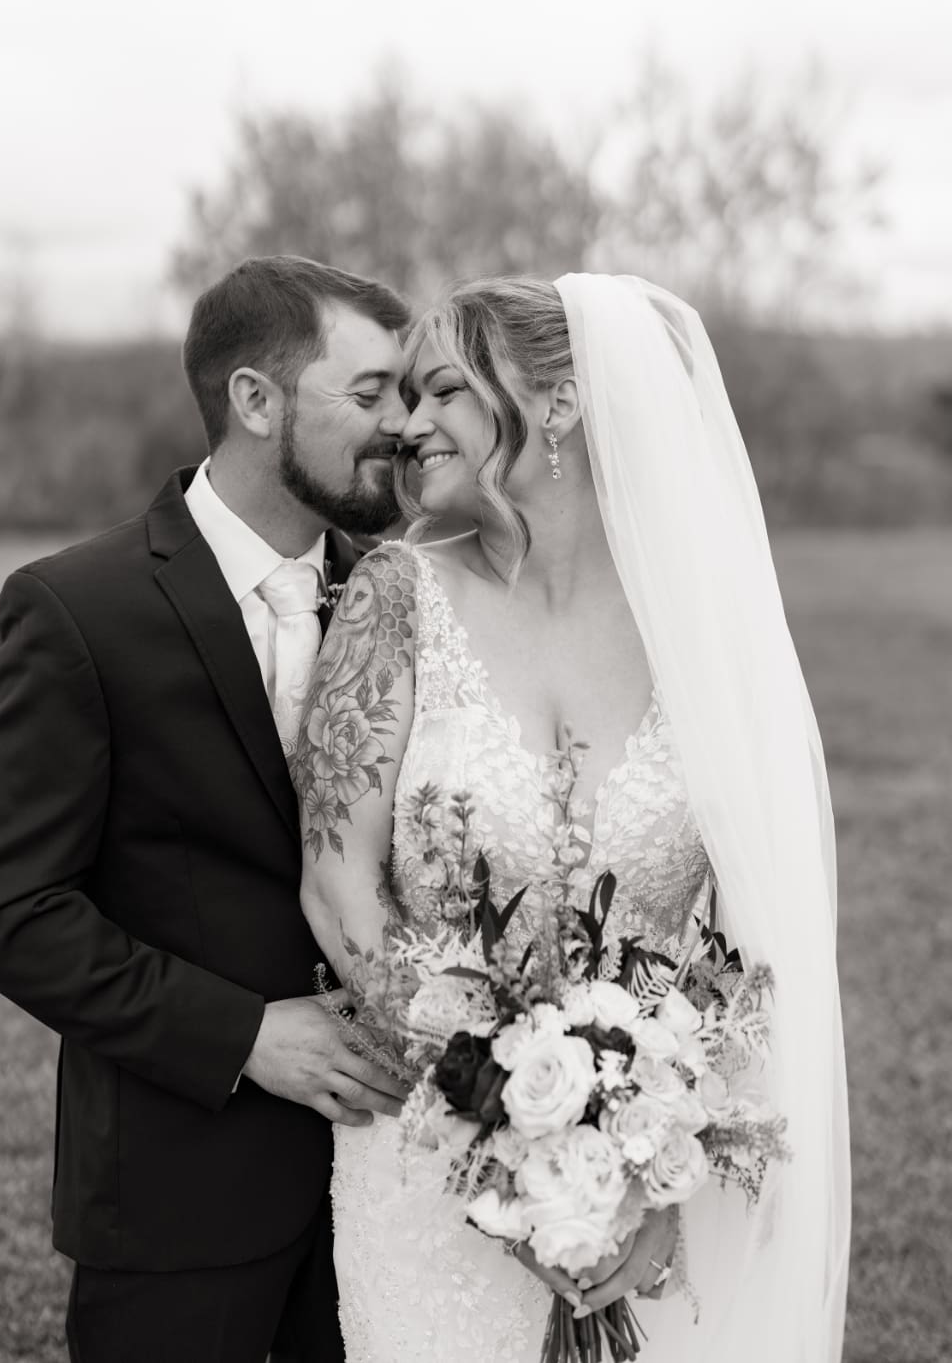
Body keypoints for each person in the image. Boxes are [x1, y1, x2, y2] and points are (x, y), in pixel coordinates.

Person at [294, 274, 850, 1362]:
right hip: (429, 1169)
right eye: (404, 396)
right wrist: (497, 1117)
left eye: (444, 391)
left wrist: (656, 1149)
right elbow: (336, 881)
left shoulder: (704, 629)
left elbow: (762, 926)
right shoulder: (393, 599)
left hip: (660, 1172)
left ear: (559, 403)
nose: (408, 425)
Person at [0, 255, 413, 1363]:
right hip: (179, 1194)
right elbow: (8, 911)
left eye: (406, 393)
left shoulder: (408, 601)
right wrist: (244, 1035)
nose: (402, 425)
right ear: (255, 400)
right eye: (369, 394)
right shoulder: (77, 610)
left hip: (397, 1187)